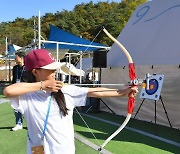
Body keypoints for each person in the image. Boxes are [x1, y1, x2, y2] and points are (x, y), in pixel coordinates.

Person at [3, 49, 138, 154]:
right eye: (50, 69)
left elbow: (94, 91)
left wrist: (123, 92)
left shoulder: (65, 90)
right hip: (38, 150)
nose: (55, 71)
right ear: (35, 72)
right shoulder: (27, 95)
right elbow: (8, 91)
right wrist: (42, 85)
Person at [11, 51, 28, 131]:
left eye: (16, 57)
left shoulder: (28, 67)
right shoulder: (15, 68)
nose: (15, 59)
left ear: (21, 58)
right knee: (16, 107)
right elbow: (14, 80)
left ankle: (30, 124)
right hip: (16, 90)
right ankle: (18, 123)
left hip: (26, 90)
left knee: (27, 108)